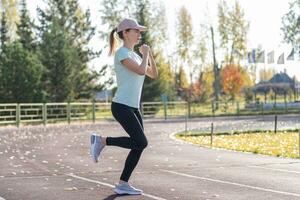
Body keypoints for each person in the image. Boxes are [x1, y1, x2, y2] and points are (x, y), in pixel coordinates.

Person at [90, 18, 158, 195]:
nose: (139, 34)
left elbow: (153, 74)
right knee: (141, 141)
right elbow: (141, 71)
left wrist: (148, 54)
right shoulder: (122, 54)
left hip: (133, 107)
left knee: (139, 145)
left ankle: (123, 184)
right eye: (136, 31)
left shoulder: (135, 55)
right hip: (121, 106)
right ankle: (103, 141)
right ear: (125, 33)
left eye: (139, 31)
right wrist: (144, 56)